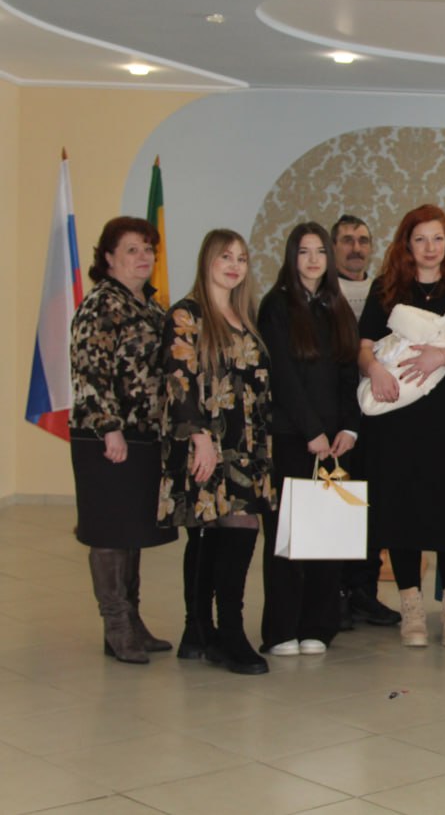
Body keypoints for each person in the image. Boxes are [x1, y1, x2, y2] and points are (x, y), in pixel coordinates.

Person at [358, 204, 445, 649]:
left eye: (438, 239)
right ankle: (410, 606)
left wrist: (440, 357)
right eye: (421, 239)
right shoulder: (386, 288)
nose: (430, 247)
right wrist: (374, 370)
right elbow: (364, 346)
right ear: (407, 244)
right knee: (401, 510)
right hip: (396, 415)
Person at [159, 228, 274, 675]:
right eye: (225, 256)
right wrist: (200, 440)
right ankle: (220, 631)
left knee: (229, 532)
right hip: (208, 441)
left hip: (246, 446)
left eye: (241, 258)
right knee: (213, 531)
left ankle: (206, 631)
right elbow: (179, 380)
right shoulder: (187, 314)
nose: (234, 266)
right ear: (207, 260)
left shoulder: (246, 316)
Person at [70, 216, 175, 664]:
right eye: (132, 249)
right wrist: (109, 427)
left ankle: (132, 620)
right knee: (110, 531)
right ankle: (115, 625)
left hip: (144, 435)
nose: (143, 256)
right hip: (107, 436)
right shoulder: (101, 304)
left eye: (148, 248)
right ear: (109, 257)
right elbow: (88, 371)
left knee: (131, 529)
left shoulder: (149, 305)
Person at [257, 222, 361, 656]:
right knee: (287, 538)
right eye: (304, 251)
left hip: (335, 444)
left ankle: (319, 626)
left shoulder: (337, 306)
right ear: (291, 257)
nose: (314, 259)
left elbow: (349, 373)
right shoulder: (276, 306)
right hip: (292, 438)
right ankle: (282, 630)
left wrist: (349, 428)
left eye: (320, 251)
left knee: (326, 537)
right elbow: (281, 376)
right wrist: (310, 430)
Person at [330, 213, 400, 630]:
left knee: (372, 508)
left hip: (376, 414)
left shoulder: (383, 293)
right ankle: (334, 594)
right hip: (336, 417)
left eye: (362, 240)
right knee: (338, 505)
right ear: (333, 247)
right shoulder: (323, 292)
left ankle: (364, 593)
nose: (355, 248)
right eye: (346, 240)